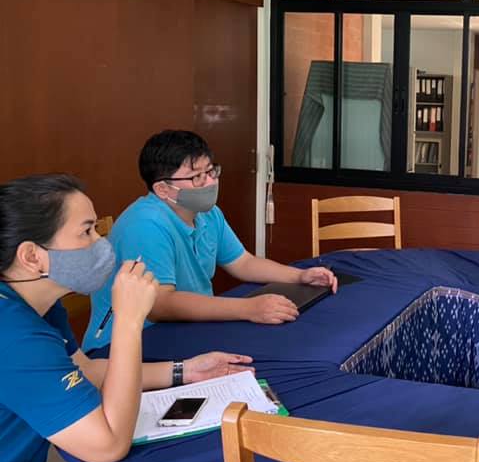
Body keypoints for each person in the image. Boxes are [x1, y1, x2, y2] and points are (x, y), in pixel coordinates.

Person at [0, 174, 253, 462]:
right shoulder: (15, 335)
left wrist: (184, 370)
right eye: (87, 232)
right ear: (32, 256)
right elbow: (108, 445)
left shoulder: (37, 304)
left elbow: (84, 370)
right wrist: (129, 321)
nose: (101, 243)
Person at [84, 131, 338, 350]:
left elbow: (243, 262)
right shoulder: (145, 225)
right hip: (130, 345)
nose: (211, 181)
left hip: (188, 330)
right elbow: (160, 305)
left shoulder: (208, 213)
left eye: (211, 171)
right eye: (197, 177)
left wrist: (299, 276)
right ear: (162, 189)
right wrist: (248, 308)